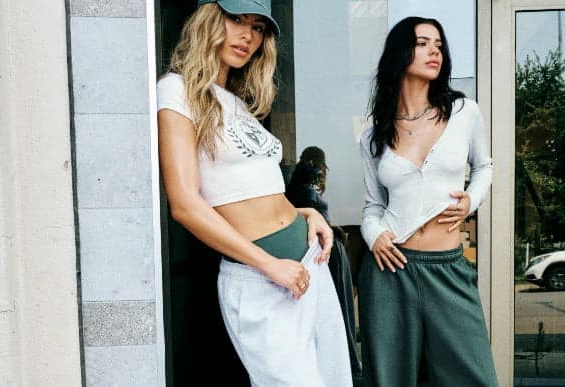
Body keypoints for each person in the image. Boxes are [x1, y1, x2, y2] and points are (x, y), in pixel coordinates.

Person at [156, 1, 350, 385]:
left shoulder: (238, 103)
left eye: (258, 27)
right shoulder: (176, 90)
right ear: (210, 20)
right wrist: (267, 264)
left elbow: (256, 189)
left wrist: (304, 214)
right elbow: (185, 204)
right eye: (236, 20)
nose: (248, 35)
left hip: (309, 265)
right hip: (261, 279)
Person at [357, 16, 497, 386]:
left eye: (439, 44)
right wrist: (374, 237)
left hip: (447, 269)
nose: (434, 50)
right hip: (390, 271)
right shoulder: (374, 135)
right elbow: (372, 207)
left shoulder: (465, 112)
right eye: (422, 43)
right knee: (389, 379)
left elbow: (484, 167)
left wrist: (472, 201)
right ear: (400, 52)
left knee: (475, 377)